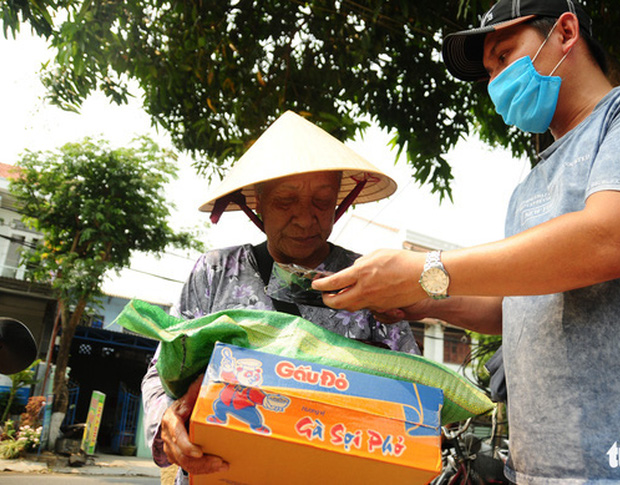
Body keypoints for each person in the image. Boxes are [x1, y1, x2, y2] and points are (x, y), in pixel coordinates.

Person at [313, 1, 620, 483]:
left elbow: (609, 239)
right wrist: (425, 301)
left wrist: (424, 269)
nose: (496, 81)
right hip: (540, 472)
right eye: (489, 71)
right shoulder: (530, 187)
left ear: (566, 32)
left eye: (504, 56)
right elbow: (518, 306)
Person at [141, 111, 421, 483]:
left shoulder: (370, 279)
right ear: (257, 202)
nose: (306, 219)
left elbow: (413, 391)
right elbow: (161, 371)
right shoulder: (215, 272)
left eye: (322, 201)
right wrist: (167, 419)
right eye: (286, 201)